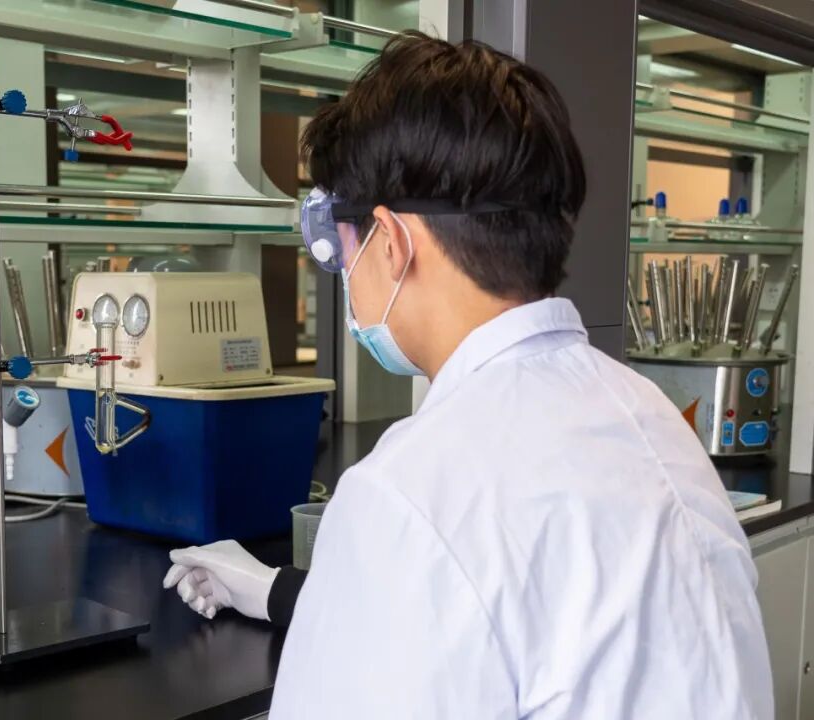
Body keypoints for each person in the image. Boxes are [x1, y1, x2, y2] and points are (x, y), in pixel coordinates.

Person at [163, 34, 773, 718]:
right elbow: (540, 634)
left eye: (340, 246)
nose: (343, 273)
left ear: (392, 243)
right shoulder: (649, 416)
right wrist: (279, 590)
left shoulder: (407, 492)